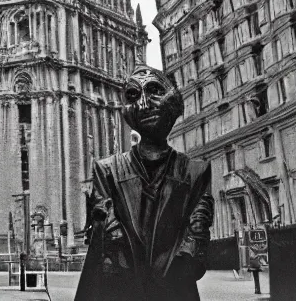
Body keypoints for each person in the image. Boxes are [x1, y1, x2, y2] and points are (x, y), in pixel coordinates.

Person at [75, 65, 215, 301]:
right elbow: (107, 244)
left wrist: (182, 262)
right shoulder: (107, 171)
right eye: (132, 95)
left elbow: (196, 240)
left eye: (154, 91)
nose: (143, 104)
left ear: (174, 101)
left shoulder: (196, 172)